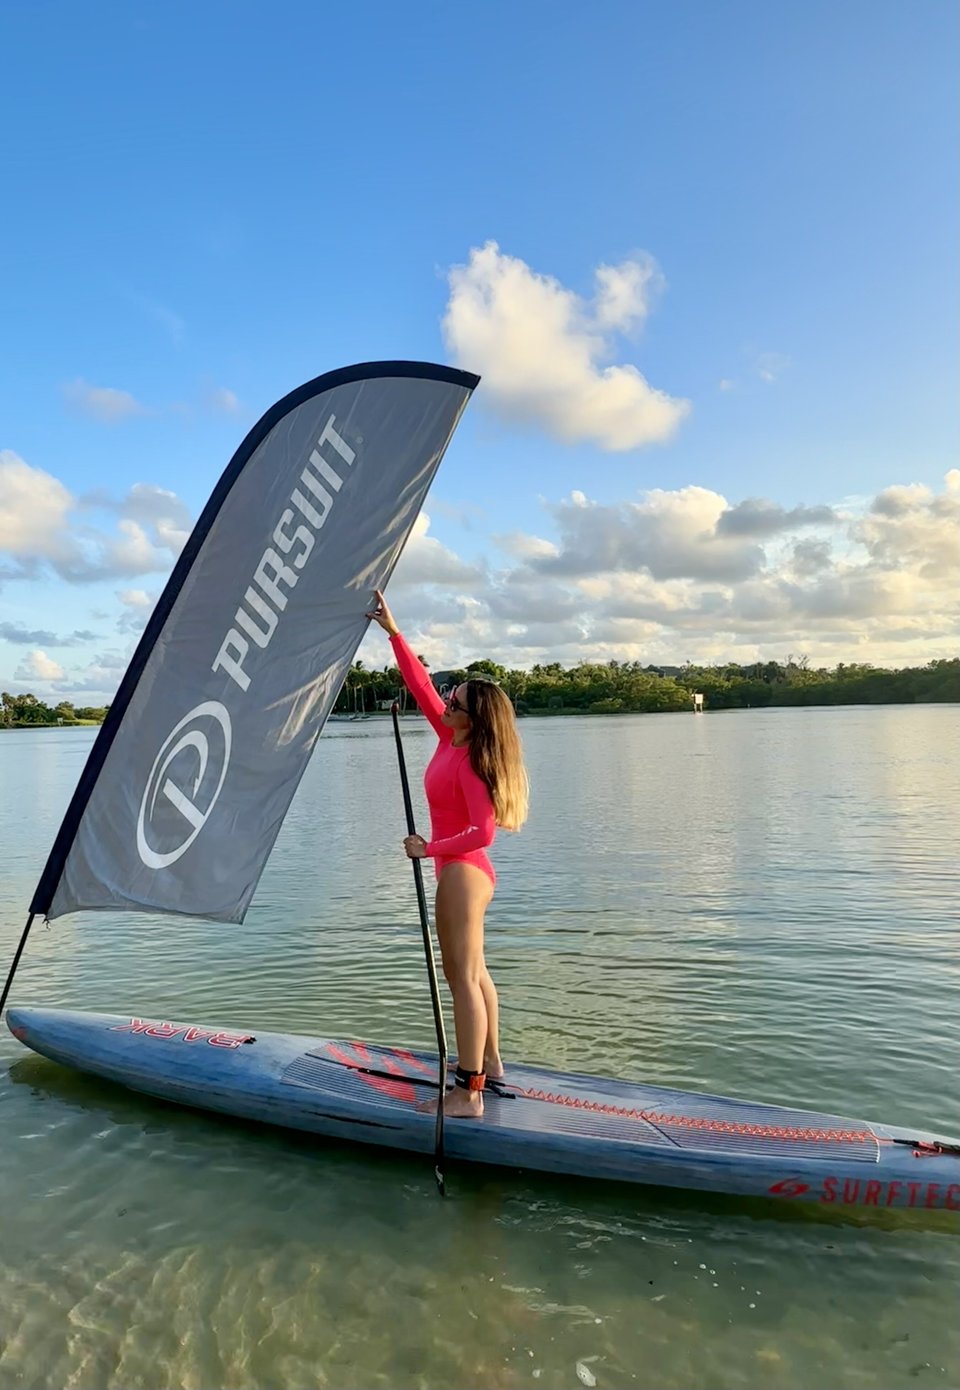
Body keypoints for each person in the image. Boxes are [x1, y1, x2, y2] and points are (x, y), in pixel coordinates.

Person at [366, 589, 529, 1118]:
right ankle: (493, 1065)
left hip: (463, 871)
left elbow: (482, 832)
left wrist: (428, 848)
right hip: (462, 872)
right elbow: (418, 684)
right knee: (476, 973)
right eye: (450, 695)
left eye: (454, 698)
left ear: (472, 716)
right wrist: (393, 632)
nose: (446, 700)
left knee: (460, 978)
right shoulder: (448, 738)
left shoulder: (473, 760)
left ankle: (468, 1092)